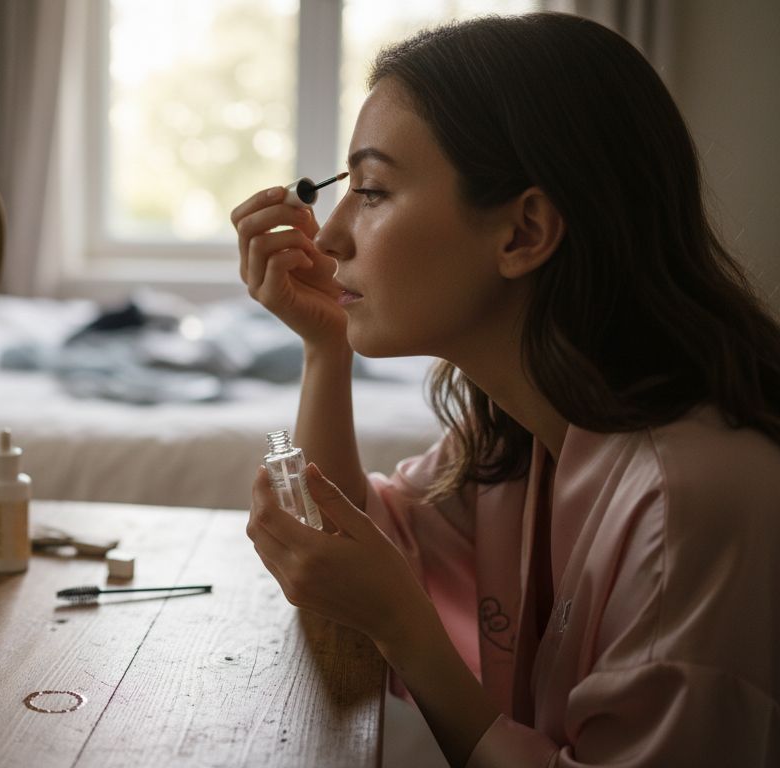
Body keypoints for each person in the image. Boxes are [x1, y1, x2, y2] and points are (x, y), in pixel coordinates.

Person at [231, 12, 780, 768]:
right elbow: (355, 553)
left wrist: (409, 634)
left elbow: (383, 599)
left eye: (375, 190)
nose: (327, 237)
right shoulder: (525, 433)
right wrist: (325, 348)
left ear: (524, 232)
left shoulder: (687, 504)